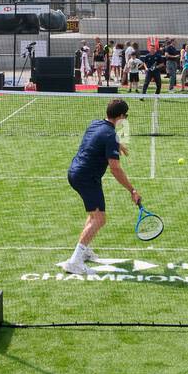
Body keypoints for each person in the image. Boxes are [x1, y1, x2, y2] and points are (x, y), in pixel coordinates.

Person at [64, 98, 139, 277]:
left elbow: (96, 139)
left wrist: (117, 145)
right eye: (125, 116)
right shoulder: (110, 135)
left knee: (94, 214)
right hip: (86, 177)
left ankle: (85, 250)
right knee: (100, 219)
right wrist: (132, 190)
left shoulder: (95, 124)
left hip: (75, 172)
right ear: (121, 116)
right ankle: (74, 262)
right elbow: (115, 168)